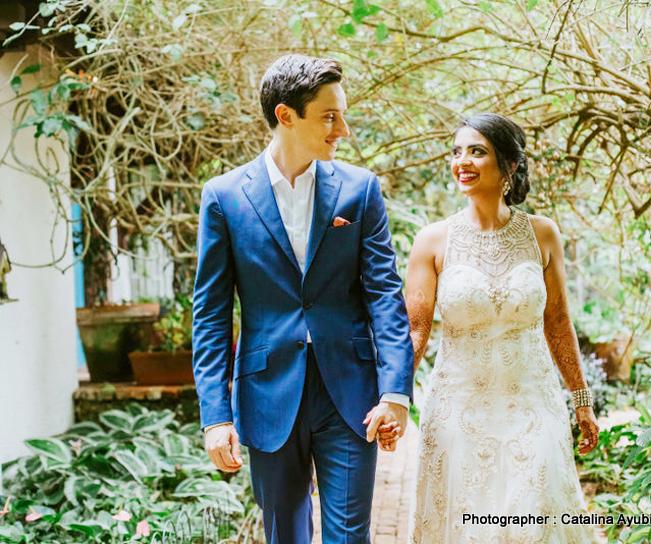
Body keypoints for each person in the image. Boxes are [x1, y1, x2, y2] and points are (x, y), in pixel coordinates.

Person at [192, 54, 414, 544]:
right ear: (286, 116)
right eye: (330, 116)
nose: (344, 130)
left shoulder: (360, 190)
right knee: (284, 536)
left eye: (343, 114)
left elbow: (384, 295)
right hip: (267, 393)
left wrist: (395, 392)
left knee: (349, 535)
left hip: (350, 394)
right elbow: (209, 315)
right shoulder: (223, 196)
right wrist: (216, 418)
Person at [405, 113, 600, 543]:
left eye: (477, 151)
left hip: (534, 405)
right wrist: (394, 399)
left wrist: (581, 400)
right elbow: (415, 332)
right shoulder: (432, 240)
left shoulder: (543, 234)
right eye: (457, 152)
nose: (463, 161)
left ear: (510, 165)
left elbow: (558, 322)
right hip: (458, 409)